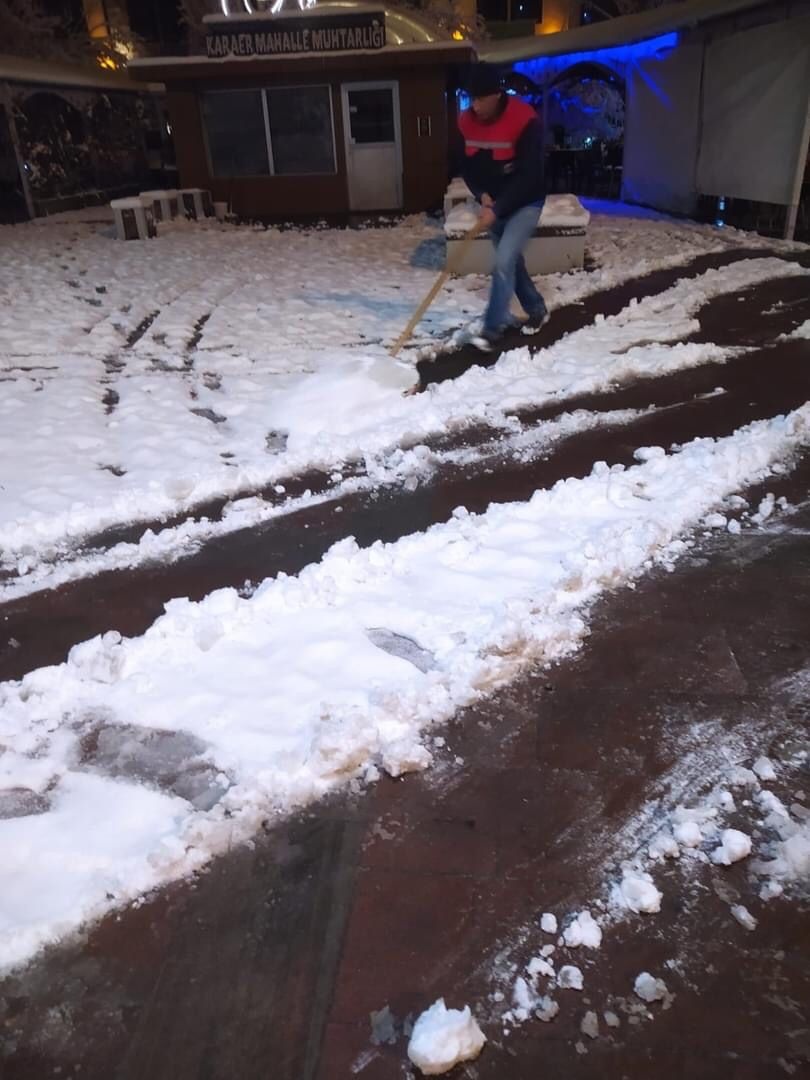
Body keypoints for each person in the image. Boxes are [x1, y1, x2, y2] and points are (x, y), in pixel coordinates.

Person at [458, 63, 549, 351]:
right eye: (471, 98)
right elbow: (466, 166)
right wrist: (481, 194)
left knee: (503, 261)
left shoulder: (524, 119)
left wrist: (497, 209)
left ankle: (491, 330)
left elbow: (530, 175)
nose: (474, 105)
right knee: (511, 263)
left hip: (525, 201)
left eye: (480, 98)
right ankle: (536, 309)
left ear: (497, 94)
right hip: (494, 205)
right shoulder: (467, 121)